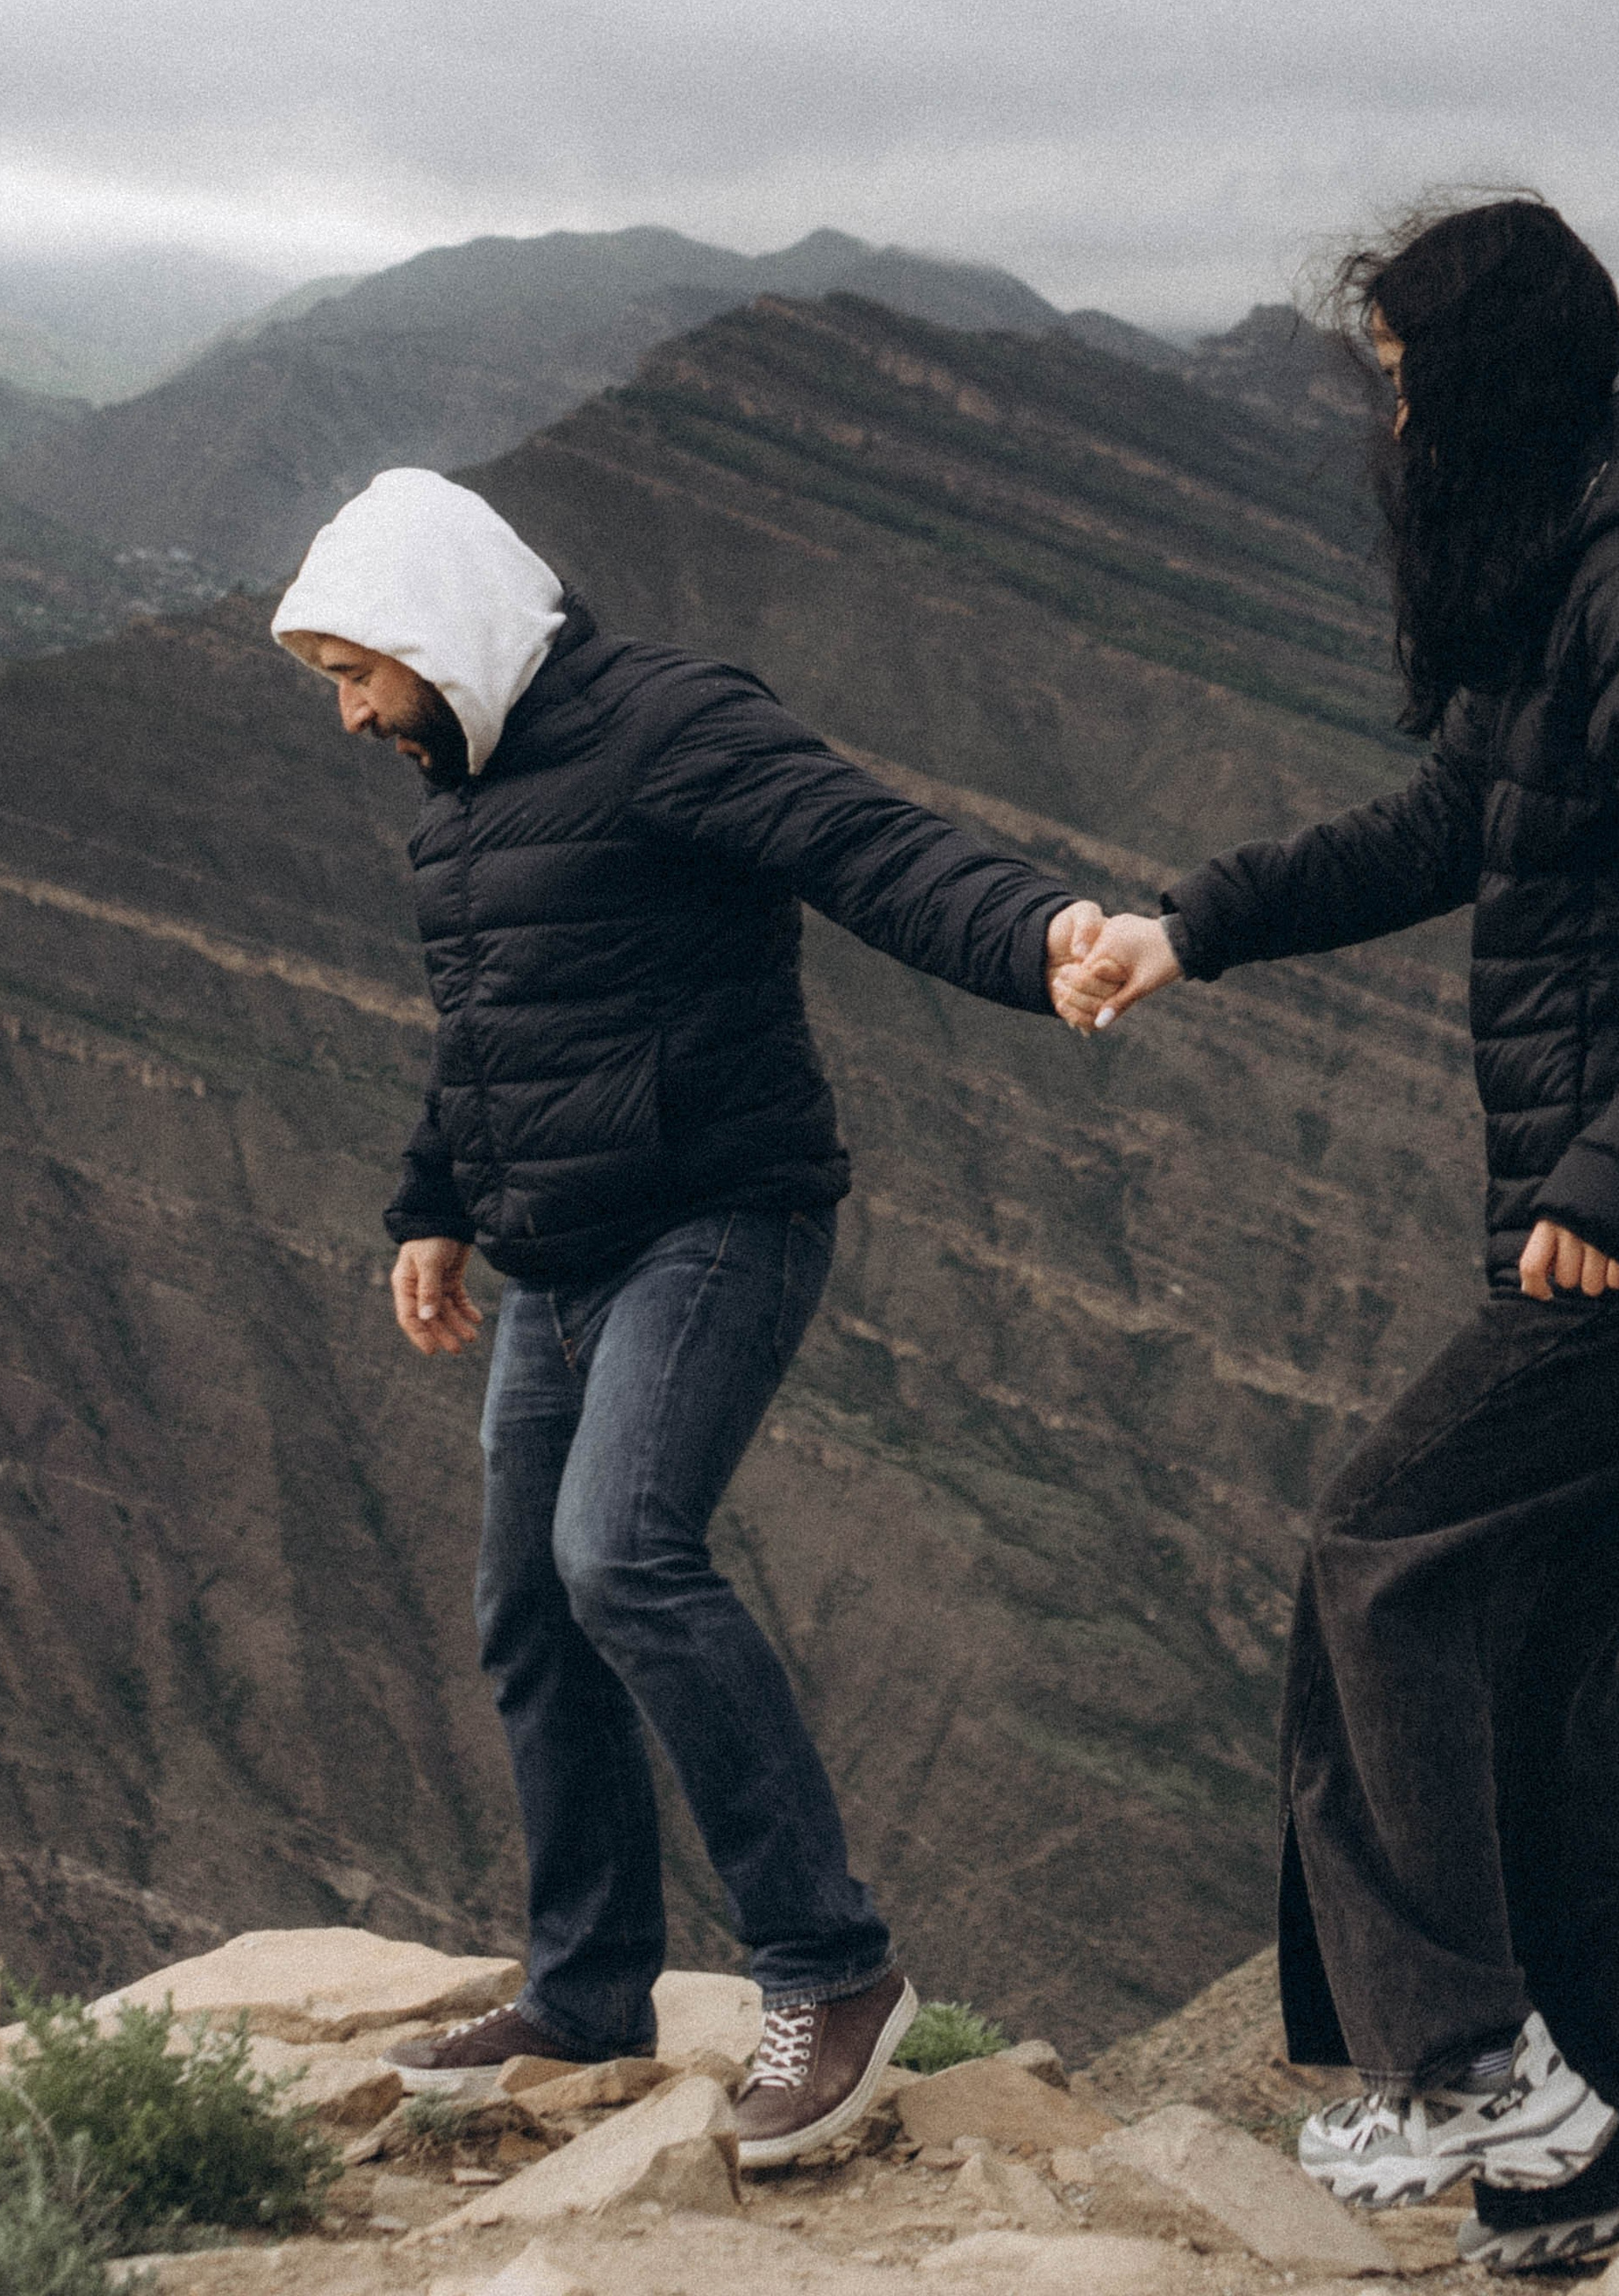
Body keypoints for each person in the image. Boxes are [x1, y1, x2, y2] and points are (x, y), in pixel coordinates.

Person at [1053, 197, 1619, 2270]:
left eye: (1408, 385)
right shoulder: (1565, 562)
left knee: (1389, 1556)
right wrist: (1193, 925)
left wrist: (1613, 1184)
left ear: (1490, 380)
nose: (1392, 427)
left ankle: (1467, 2068)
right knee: (1533, 1651)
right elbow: (1451, 824)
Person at [271, 467, 1103, 2171]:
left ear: (442, 633)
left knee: (622, 1556)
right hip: (552, 1258)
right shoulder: (468, 788)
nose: (350, 713)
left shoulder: (666, 723)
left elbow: (866, 842)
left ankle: (829, 1966)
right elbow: (497, 1029)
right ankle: (585, 1991)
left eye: (360, 671)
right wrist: (433, 1206)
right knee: (529, 1613)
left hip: (717, 1221)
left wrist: (1035, 935)